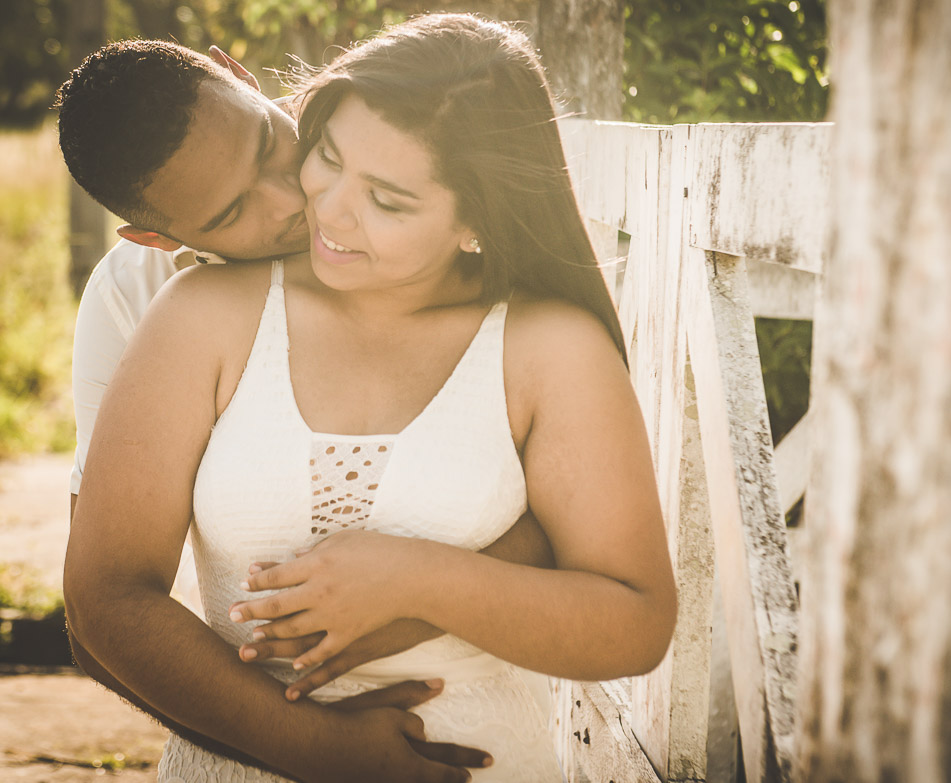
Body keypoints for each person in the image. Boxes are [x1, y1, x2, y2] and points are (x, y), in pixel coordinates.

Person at [64, 12, 678, 783]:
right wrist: (317, 747)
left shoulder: (548, 343)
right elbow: (101, 604)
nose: (316, 206)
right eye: (330, 158)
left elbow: (626, 606)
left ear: (478, 219)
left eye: (386, 199)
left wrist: (415, 583)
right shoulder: (179, 308)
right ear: (160, 237)